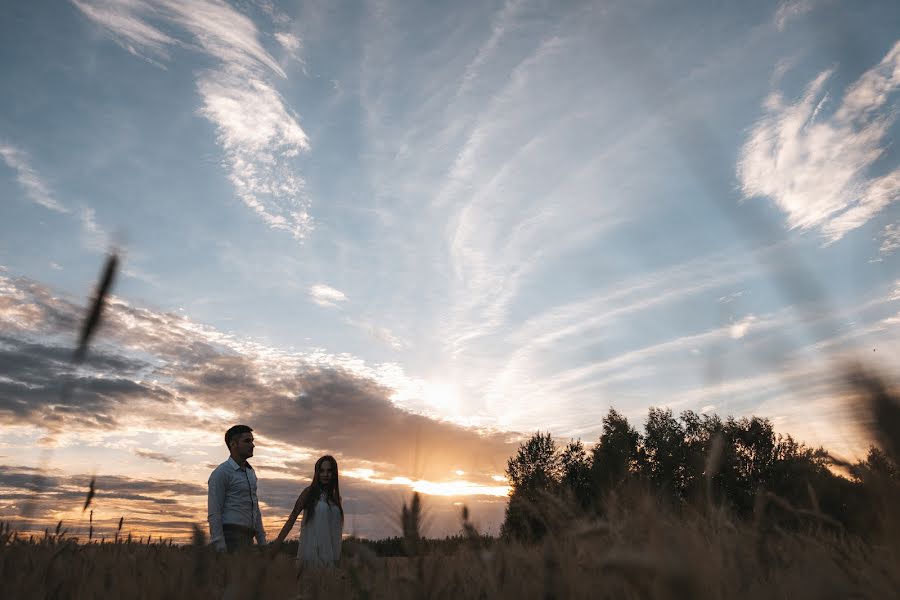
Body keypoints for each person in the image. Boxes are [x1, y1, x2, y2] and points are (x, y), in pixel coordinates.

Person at [274, 455, 344, 567]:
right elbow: (292, 518)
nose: (325, 474)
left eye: (329, 471)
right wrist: (275, 546)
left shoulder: (336, 499)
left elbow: (336, 532)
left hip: (331, 558)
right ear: (316, 473)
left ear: (334, 473)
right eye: (321, 471)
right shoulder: (309, 493)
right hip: (311, 556)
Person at [208, 424, 266, 552]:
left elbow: (255, 507)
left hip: (248, 538)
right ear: (233, 444)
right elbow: (214, 512)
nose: (252, 445)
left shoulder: (251, 473)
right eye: (247, 441)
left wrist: (262, 542)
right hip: (230, 537)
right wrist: (219, 547)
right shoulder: (221, 473)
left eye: (252, 441)